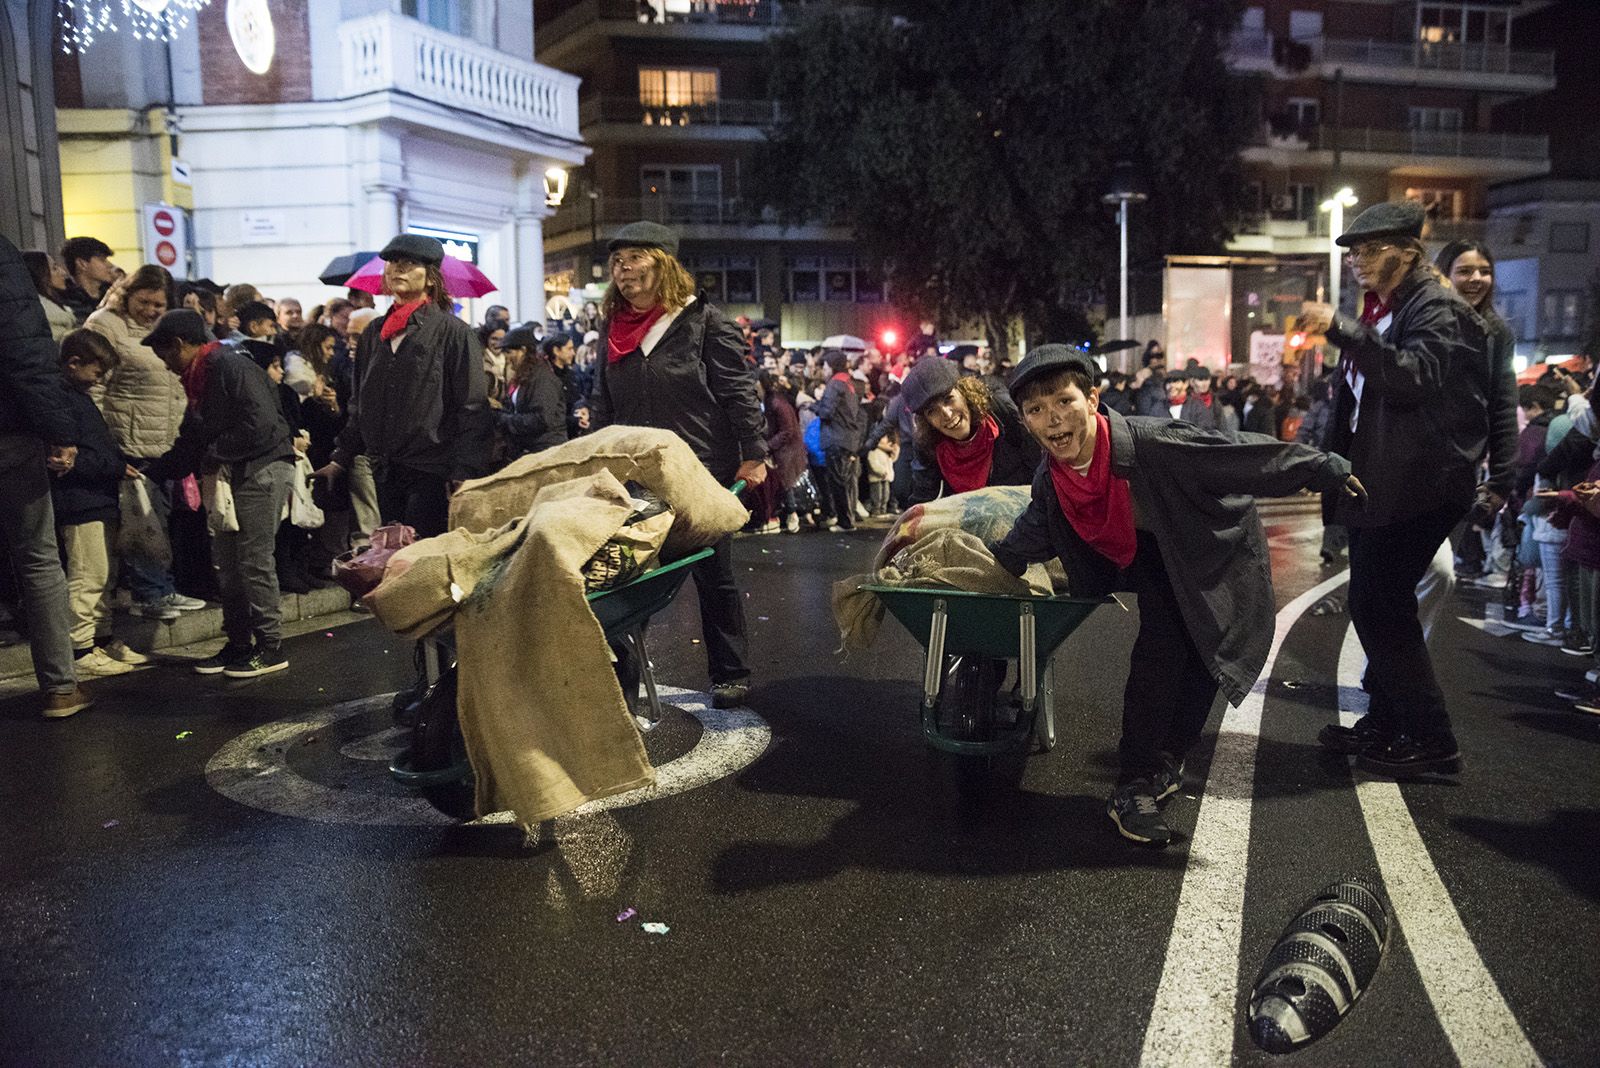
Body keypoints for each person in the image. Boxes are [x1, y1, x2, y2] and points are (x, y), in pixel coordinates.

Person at [989, 346, 1365, 845]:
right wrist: (998, 565)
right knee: (1162, 650)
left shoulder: (1152, 442)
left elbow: (1233, 454)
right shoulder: (1052, 477)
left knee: (1206, 651)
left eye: (1064, 401)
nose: (1053, 418)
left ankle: (1162, 761)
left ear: (1093, 400)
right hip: (1152, 548)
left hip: (1208, 543)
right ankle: (1136, 779)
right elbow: (1036, 526)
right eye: (1036, 409)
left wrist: (1319, 467)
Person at [1298, 200, 1492, 776]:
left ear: (1407, 252)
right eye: (1353, 252)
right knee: (1376, 602)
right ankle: (1387, 722)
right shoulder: (1389, 308)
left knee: (1380, 603)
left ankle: (1432, 737)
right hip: (1386, 479)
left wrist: (1343, 330)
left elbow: (1413, 379)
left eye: (1369, 249)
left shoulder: (1437, 306)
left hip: (1423, 482)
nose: (1357, 260)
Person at [589, 221, 768, 708]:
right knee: (628, 577)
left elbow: (737, 393)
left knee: (715, 576)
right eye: (617, 262)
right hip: (636, 473)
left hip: (702, 471)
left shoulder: (705, 322)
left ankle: (730, 673)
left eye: (635, 259)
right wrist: (593, 457)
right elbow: (603, 401)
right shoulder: (614, 329)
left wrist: (754, 453)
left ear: (664, 264)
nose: (623, 270)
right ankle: (620, 686)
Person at [142, 310, 296, 677]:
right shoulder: (201, 377)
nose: (166, 365)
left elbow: (261, 425)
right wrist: (150, 472)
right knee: (228, 566)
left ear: (180, 344)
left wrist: (215, 453)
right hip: (233, 474)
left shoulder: (228, 366)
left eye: (165, 355)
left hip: (260, 470)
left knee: (254, 562)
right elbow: (192, 439)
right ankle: (239, 643)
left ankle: (270, 646)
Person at [320, 234, 491, 539]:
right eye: (392, 262)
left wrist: (465, 471)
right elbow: (361, 403)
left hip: (432, 470)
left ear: (430, 278)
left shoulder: (454, 332)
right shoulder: (373, 333)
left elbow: (472, 407)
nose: (397, 268)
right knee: (391, 552)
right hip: (384, 469)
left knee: (423, 555)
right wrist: (340, 458)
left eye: (409, 263)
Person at [1, 233, 94, 718]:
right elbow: (25, 353)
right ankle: (60, 687)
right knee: (37, 557)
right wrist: (59, 430)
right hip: (9, 431)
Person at [87, 264, 205, 622]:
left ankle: (161, 587)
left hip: (164, 441)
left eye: (159, 304)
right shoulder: (106, 326)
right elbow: (95, 388)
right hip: (128, 438)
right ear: (127, 294)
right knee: (141, 521)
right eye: (144, 301)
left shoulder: (163, 329)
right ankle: (150, 593)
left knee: (158, 520)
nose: (151, 310)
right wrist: (101, 439)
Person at [50, 330, 150, 677]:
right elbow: (71, 458)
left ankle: (102, 638)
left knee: (104, 575)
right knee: (87, 576)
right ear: (73, 363)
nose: (100, 378)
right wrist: (115, 466)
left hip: (98, 498)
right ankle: (80, 647)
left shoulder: (77, 397)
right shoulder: (61, 400)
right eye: (97, 371)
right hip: (80, 502)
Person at [1436, 240, 1519, 588]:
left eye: (1485, 272)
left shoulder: (1498, 333)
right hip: (1409, 467)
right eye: (1465, 271)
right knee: (1416, 573)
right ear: (1444, 275)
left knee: (1440, 573)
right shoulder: (1426, 322)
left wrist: (1500, 481)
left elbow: (1503, 407)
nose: (1476, 279)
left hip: (1459, 473)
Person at [897, 354, 1039, 500]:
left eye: (948, 399)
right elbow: (923, 495)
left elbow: (1039, 470)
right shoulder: (928, 444)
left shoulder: (1004, 413)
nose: (947, 414)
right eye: (932, 411)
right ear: (927, 421)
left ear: (964, 392)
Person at [814, 349, 866, 530]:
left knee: (838, 483)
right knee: (848, 483)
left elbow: (826, 412)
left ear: (832, 366)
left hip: (836, 438)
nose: (824, 371)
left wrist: (814, 404)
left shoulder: (834, 384)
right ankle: (848, 519)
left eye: (825, 367)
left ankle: (845, 522)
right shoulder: (849, 383)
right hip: (849, 439)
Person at [498, 326, 568, 459]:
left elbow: (541, 419)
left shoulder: (542, 378)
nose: (506, 357)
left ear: (523, 350)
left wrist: (506, 420)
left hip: (545, 453)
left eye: (509, 352)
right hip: (529, 450)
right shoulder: (524, 376)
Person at [57, 236, 118, 324]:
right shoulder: (64, 300)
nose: (110, 265)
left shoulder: (114, 295)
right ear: (82, 264)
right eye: (102, 260)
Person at [22, 251, 76, 343]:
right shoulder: (48, 316)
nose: (63, 272)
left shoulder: (60, 301)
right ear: (39, 274)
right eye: (54, 268)